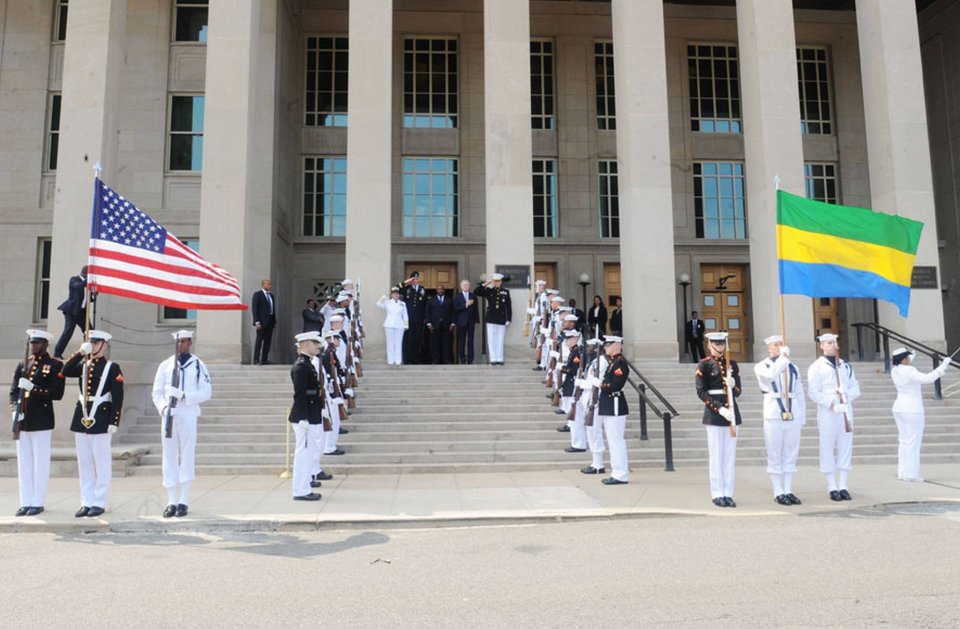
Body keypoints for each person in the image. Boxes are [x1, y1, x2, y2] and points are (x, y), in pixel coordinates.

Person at [61, 330, 123, 518]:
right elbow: (64, 371)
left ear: (104, 344)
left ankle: (99, 502)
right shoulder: (83, 365)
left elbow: (118, 396)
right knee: (85, 463)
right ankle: (86, 501)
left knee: (101, 462)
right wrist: (80, 352)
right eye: (91, 342)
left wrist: (114, 420)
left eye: (96, 342)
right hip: (82, 417)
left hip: (101, 417)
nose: (93, 345)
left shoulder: (112, 368)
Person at [151, 330, 212, 518]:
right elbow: (156, 392)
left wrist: (185, 396)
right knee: (169, 455)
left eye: (184, 341)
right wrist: (164, 408)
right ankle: (171, 500)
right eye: (178, 342)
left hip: (188, 413)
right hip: (170, 414)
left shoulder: (198, 365)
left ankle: (184, 499)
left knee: (187, 453)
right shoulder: (165, 365)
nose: (180, 345)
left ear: (190, 342)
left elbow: (206, 392)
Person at [9, 329, 65, 516]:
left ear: (45, 344)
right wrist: (14, 411)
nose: (34, 346)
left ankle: (38, 501)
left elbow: (57, 394)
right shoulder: (23, 364)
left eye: (37, 343)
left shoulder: (55, 365)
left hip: (41, 419)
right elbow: (13, 391)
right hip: (23, 420)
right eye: (32, 343)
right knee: (24, 462)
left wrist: (34, 388)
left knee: (40, 462)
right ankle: (26, 501)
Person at [807, 333, 861, 502]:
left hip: (845, 408)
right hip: (828, 410)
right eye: (829, 343)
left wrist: (846, 395)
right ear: (822, 346)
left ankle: (843, 485)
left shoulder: (845, 366)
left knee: (846, 445)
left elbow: (856, 389)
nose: (833, 345)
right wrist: (831, 403)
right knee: (828, 446)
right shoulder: (816, 367)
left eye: (834, 342)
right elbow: (813, 392)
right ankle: (832, 486)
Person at [754, 334, 806, 506]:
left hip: (792, 412)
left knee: (791, 452)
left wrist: (802, 416)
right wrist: (783, 358)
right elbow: (770, 376)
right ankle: (778, 491)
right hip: (774, 413)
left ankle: (788, 489)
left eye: (780, 344)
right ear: (769, 348)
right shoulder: (762, 366)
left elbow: (799, 392)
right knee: (775, 452)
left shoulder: (793, 367)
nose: (778, 347)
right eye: (775, 345)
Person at [890, 348, 952, 482]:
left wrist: (912, 355)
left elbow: (905, 364)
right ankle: (911, 474)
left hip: (899, 408)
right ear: (904, 359)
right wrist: (944, 365)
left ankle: (902, 472)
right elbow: (928, 378)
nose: (909, 359)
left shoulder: (895, 370)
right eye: (907, 357)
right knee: (913, 442)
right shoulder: (910, 371)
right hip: (912, 409)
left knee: (904, 441)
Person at [696, 331, 741, 508]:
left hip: (732, 413)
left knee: (729, 456)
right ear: (709, 345)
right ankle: (717, 493)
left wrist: (733, 385)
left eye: (722, 343)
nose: (720, 346)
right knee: (716, 455)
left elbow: (738, 392)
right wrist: (719, 408)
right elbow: (701, 391)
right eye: (716, 343)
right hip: (715, 414)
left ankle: (728, 492)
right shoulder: (704, 364)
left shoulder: (732, 364)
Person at [587, 336, 630, 485]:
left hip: (615, 404)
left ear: (617, 345)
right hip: (609, 404)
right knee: (612, 440)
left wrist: (598, 383)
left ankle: (620, 474)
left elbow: (615, 386)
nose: (605, 348)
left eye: (608, 345)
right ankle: (617, 472)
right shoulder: (613, 362)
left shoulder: (619, 363)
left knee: (616, 440)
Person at [289, 332, 325, 501]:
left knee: (308, 453)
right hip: (304, 416)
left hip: (310, 414)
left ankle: (305, 486)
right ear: (305, 344)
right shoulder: (301, 366)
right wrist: (303, 417)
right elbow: (300, 394)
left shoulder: (307, 364)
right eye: (315, 343)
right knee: (303, 454)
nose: (318, 346)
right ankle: (300, 490)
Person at [579, 338, 608, 475]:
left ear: (596, 348)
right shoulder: (594, 361)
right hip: (589, 398)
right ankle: (595, 463)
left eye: (590, 347)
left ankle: (598, 464)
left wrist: (583, 383)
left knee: (594, 431)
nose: (587, 349)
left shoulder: (602, 362)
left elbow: (597, 381)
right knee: (591, 430)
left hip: (595, 399)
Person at [475, 273, 512, 365]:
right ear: (493, 282)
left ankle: (500, 358)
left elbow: (508, 306)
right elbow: (476, 291)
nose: (497, 283)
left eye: (498, 281)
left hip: (502, 318)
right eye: (495, 281)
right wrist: (486, 283)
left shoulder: (506, 292)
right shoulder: (489, 291)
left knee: (500, 339)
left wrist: (508, 319)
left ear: (501, 282)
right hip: (491, 318)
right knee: (491, 339)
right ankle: (493, 358)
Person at [559, 330, 585, 453]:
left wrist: (564, 369)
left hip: (574, 386)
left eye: (568, 339)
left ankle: (578, 443)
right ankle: (576, 442)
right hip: (570, 384)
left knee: (576, 418)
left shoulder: (577, 352)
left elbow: (575, 370)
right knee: (573, 417)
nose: (566, 341)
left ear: (574, 339)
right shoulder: (573, 352)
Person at [53, 266, 88, 359]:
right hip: (72, 311)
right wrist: (88, 281)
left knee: (90, 332)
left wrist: (94, 294)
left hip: (82, 312)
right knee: (68, 332)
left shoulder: (86, 284)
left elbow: (88, 299)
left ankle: (87, 353)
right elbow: (78, 286)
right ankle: (57, 353)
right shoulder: (74, 279)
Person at [400, 272, 427, 364]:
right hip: (408, 320)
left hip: (419, 319)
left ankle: (416, 359)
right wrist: (406, 282)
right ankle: (408, 359)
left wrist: (425, 318)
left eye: (417, 279)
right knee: (409, 340)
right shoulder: (406, 289)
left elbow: (425, 305)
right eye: (413, 279)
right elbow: (397, 287)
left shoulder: (423, 290)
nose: (415, 281)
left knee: (417, 340)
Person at [377, 286, 408, 366]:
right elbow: (378, 304)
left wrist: (406, 325)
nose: (395, 295)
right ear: (391, 295)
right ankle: (390, 360)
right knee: (390, 343)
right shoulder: (387, 302)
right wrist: (385, 296)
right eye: (394, 294)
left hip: (399, 324)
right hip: (389, 324)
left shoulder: (402, 303)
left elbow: (405, 315)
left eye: (397, 293)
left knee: (398, 343)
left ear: (399, 295)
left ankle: (398, 360)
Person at [426, 283, 455, 364]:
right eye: (439, 289)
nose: (440, 290)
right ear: (436, 290)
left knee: (446, 343)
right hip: (434, 326)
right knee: (434, 344)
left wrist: (452, 323)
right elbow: (427, 312)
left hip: (446, 325)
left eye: (442, 289)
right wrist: (428, 323)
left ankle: (446, 359)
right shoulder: (431, 300)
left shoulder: (449, 300)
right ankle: (435, 360)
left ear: (444, 290)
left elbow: (453, 312)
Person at [453, 279, 479, 365]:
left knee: (470, 341)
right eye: (464, 285)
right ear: (461, 287)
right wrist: (466, 305)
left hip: (471, 321)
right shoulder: (457, 297)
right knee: (462, 341)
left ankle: (470, 359)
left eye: (467, 285)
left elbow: (476, 309)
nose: (465, 286)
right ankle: (463, 359)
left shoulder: (473, 296)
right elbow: (455, 308)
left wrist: (477, 321)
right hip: (461, 322)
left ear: (469, 286)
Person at [251, 279, 276, 365]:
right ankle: (256, 359)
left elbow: (272, 309)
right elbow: (255, 308)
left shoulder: (271, 296)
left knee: (267, 341)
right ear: (263, 285)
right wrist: (257, 321)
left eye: (270, 284)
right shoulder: (258, 294)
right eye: (268, 284)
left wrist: (274, 321)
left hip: (270, 321)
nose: (270, 286)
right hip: (261, 322)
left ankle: (264, 359)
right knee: (259, 341)